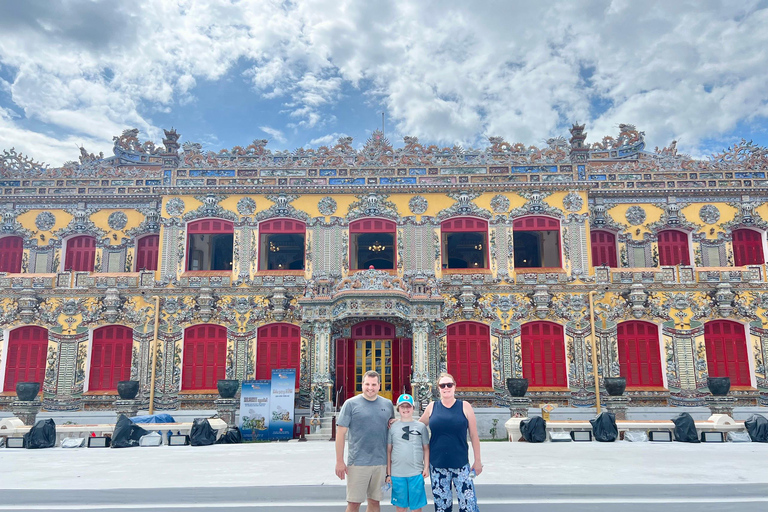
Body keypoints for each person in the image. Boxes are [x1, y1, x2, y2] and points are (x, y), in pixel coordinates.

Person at [419, 373, 482, 512]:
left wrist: (478, 461)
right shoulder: (432, 407)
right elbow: (417, 426)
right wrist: (398, 423)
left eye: (449, 385)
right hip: (438, 465)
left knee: (469, 506)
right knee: (442, 507)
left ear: (455, 387)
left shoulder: (465, 407)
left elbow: (473, 435)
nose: (446, 388)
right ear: (438, 388)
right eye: (442, 385)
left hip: (461, 465)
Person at [335, 370, 395, 512]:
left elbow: (391, 431)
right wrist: (339, 461)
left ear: (379, 385)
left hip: (380, 462)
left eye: (374, 384)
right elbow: (340, 433)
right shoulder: (350, 404)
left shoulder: (387, 405)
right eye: (367, 384)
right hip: (358, 462)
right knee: (354, 503)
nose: (370, 387)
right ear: (362, 385)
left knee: (375, 502)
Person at [386, 394, 430, 512]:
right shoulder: (392, 427)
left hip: (415, 472)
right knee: (401, 508)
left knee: (416, 507)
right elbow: (389, 451)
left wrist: (426, 468)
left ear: (413, 408)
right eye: (402, 407)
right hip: (397, 473)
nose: (406, 409)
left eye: (408, 406)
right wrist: (388, 474)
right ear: (398, 409)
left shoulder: (421, 427)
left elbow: (426, 448)